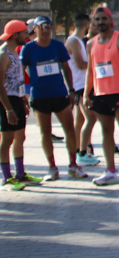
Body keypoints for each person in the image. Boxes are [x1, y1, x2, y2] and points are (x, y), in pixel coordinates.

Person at [21, 16, 81, 181]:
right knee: (45, 132)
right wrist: (26, 90)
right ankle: (52, 167)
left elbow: (66, 68)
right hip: (40, 96)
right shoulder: (28, 49)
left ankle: (73, 164)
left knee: (69, 129)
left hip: (60, 94)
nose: (46, 30)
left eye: (48, 26)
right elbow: (22, 70)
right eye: (42, 27)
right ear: (36, 29)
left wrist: (71, 90)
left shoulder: (58, 46)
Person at [86, 7, 119, 189]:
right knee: (106, 132)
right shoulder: (91, 44)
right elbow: (90, 70)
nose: (100, 22)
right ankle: (110, 171)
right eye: (97, 19)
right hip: (101, 93)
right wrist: (87, 93)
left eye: (103, 19)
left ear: (110, 21)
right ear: (93, 23)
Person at [1, 20, 34, 190]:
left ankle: (20, 173)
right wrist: (9, 109)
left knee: (20, 137)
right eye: (24, 32)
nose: (27, 36)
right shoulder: (3, 55)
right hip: (7, 101)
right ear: (15, 35)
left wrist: (23, 100)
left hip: (17, 99)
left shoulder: (15, 53)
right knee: (7, 139)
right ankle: (6, 177)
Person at [66, 13, 99, 168]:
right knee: (91, 118)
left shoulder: (78, 41)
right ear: (87, 25)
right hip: (80, 85)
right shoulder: (73, 41)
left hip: (83, 84)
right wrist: (97, 63)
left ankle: (79, 149)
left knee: (79, 121)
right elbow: (80, 64)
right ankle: (82, 153)